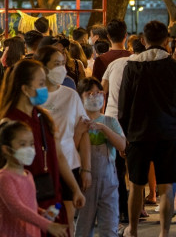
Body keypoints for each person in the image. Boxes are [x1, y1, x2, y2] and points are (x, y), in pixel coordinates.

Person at [118, 20, 176, 237]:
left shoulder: (132, 66)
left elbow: (123, 107)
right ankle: (164, 232)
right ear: (167, 40)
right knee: (166, 187)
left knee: (136, 185)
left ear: (143, 40)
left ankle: (132, 230)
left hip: (138, 135)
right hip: (167, 134)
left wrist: (127, 135)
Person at [0, 59, 83, 230]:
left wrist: (75, 188)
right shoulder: (10, 122)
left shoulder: (43, 117)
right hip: (26, 200)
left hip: (51, 195)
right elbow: (4, 168)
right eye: (41, 83)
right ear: (25, 88)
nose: (45, 88)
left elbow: (59, 155)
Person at [34, 46, 91, 235]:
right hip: (40, 168)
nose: (61, 68)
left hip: (69, 166)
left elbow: (84, 134)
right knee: (43, 219)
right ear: (42, 67)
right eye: (56, 64)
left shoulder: (71, 94)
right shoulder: (33, 97)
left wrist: (86, 169)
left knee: (66, 220)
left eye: (62, 64)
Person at [0, 121, 68, 237]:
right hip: (9, 232)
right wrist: (47, 225)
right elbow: (17, 208)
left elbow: (29, 205)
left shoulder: (28, 175)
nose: (29, 149)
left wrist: (42, 212)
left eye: (31, 144)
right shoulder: (4, 178)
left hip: (29, 231)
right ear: (6, 149)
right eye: (22, 144)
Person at [74, 78, 126, 237]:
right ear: (80, 97)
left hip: (109, 183)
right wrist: (80, 131)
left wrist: (104, 129)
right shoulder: (77, 122)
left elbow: (122, 146)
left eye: (97, 93)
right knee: (83, 228)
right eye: (89, 93)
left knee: (109, 228)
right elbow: (71, 148)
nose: (94, 96)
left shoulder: (110, 121)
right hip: (84, 184)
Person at [102, 37, 145, 222]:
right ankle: (138, 209)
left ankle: (121, 209)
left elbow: (103, 88)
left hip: (113, 117)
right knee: (136, 168)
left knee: (117, 168)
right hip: (137, 121)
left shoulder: (115, 63)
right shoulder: (145, 66)